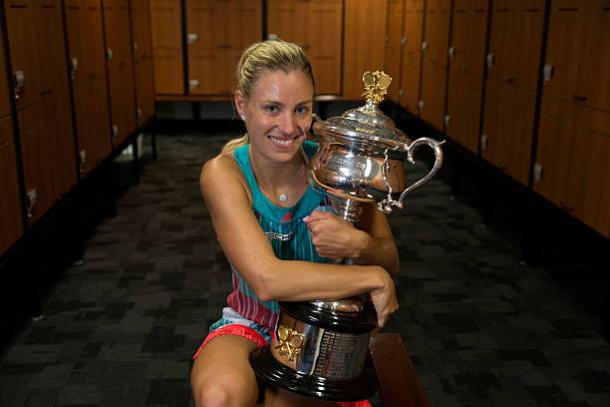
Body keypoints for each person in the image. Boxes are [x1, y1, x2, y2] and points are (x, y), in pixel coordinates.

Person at [191, 40, 400, 407]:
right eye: (272, 108)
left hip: (321, 329)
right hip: (251, 319)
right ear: (242, 105)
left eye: (301, 109)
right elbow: (267, 280)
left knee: (284, 403)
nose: (288, 127)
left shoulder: (338, 168)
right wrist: (373, 278)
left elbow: (390, 257)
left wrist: (360, 247)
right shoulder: (223, 173)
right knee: (217, 397)